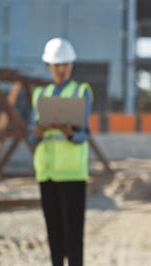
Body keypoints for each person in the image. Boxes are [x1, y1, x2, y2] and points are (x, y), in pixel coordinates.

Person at [28, 37, 93, 266]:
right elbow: (30, 137)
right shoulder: (39, 95)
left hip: (72, 173)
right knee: (53, 233)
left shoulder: (81, 91)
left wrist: (69, 132)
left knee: (74, 234)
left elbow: (85, 134)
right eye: (57, 65)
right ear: (49, 66)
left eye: (65, 64)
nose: (61, 69)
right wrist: (37, 132)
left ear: (71, 65)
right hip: (46, 173)